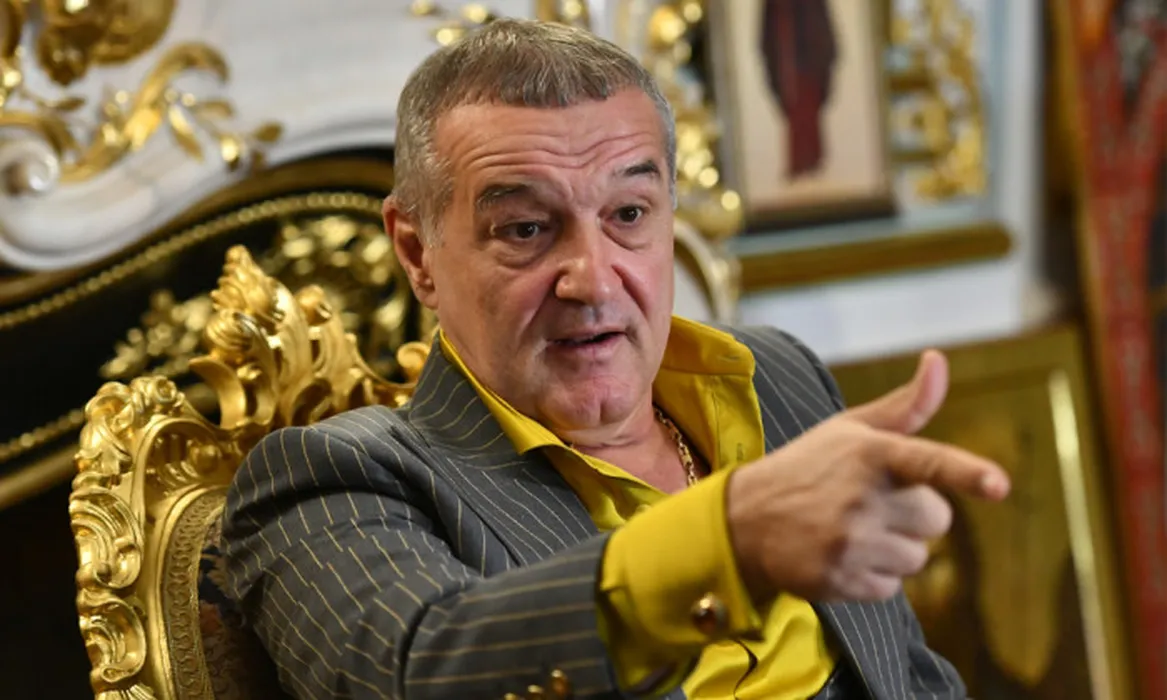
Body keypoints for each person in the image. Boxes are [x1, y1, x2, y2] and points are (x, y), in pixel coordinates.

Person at [221, 18, 1011, 700]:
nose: (594, 280)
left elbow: (909, 676)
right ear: (416, 251)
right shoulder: (329, 478)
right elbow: (419, 671)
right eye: (525, 229)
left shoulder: (776, 377)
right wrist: (726, 543)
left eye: (628, 213)